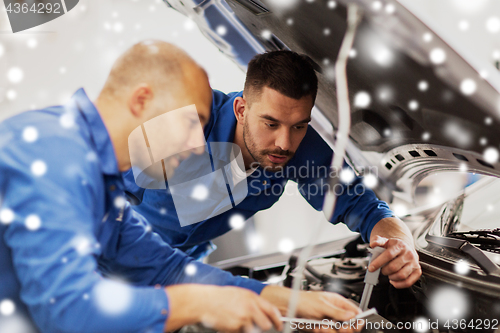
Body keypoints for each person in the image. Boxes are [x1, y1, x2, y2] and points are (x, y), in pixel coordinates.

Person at [0, 41, 363, 333]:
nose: (196, 146)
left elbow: (168, 269)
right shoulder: (54, 154)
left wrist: (289, 301)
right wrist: (197, 304)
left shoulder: (101, 180)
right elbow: (68, 310)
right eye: (193, 121)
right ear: (141, 100)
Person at [123, 50, 422, 290]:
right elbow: (101, 192)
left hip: (177, 272)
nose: (284, 143)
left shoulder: (300, 148)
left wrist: (402, 245)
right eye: (271, 123)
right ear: (241, 110)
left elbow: (367, 208)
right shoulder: (186, 122)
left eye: (299, 126)